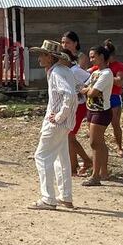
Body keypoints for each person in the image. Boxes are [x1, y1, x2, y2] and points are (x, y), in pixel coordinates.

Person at [28, 39, 77, 210]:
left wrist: (59, 116)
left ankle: (48, 198)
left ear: (50, 57)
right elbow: (75, 93)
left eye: (42, 55)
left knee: (41, 156)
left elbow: (69, 95)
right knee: (61, 158)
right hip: (64, 123)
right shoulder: (64, 70)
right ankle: (65, 196)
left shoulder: (57, 73)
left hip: (56, 123)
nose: (39, 58)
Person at [81, 45, 116, 187]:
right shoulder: (96, 73)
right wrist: (86, 89)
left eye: (93, 56)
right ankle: (104, 172)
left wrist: (86, 90)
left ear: (101, 56)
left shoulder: (106, 74)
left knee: (95, 143)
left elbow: (91, 92)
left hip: (101, 111)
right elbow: (84, 87)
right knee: (99, 142)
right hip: (91, 109)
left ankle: (95, 176)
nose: (90, 59)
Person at [60, 32, 92, 177]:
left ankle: (86, 160)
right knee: (68, 136)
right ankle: (73, 168)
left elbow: (91, 79)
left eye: (67, 42)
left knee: (69, 136)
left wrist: (82, 90)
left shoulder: (75, 69)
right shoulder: (65, 70)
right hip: (70, 105)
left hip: (79, 105)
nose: (64, 45)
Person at [104, 40, 123, 158]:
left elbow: (119, 82)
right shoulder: (101, 66)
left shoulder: (120, 66)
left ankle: (119, 147)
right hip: (102, 96)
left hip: (114, 96)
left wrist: (105, 76)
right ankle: (101, 147)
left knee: (115, 123)